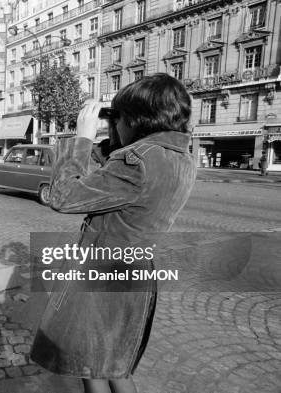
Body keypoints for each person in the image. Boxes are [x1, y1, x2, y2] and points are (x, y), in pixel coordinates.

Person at [30, 73, 197, 393]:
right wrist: (112, 133)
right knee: (116, 367)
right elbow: (117, 170)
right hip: (136, 272)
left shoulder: (136, 161)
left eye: (118, 118)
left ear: (136, 120)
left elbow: (63, 197)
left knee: (91, 366)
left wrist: (81, 139)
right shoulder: (181, 158)